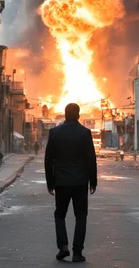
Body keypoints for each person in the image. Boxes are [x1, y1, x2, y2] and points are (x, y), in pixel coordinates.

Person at [45, 103, 97, 263]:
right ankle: (77, 252)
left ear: (65, 114)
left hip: (61, 181)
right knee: (81, 216)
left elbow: (48, 159)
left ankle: (63, 246)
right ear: (79, 115)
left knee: (59, 214)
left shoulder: (54, 133)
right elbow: (91, 159)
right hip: (81, 181)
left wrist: (50, 182)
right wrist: (93, 181)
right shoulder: (85, 133)